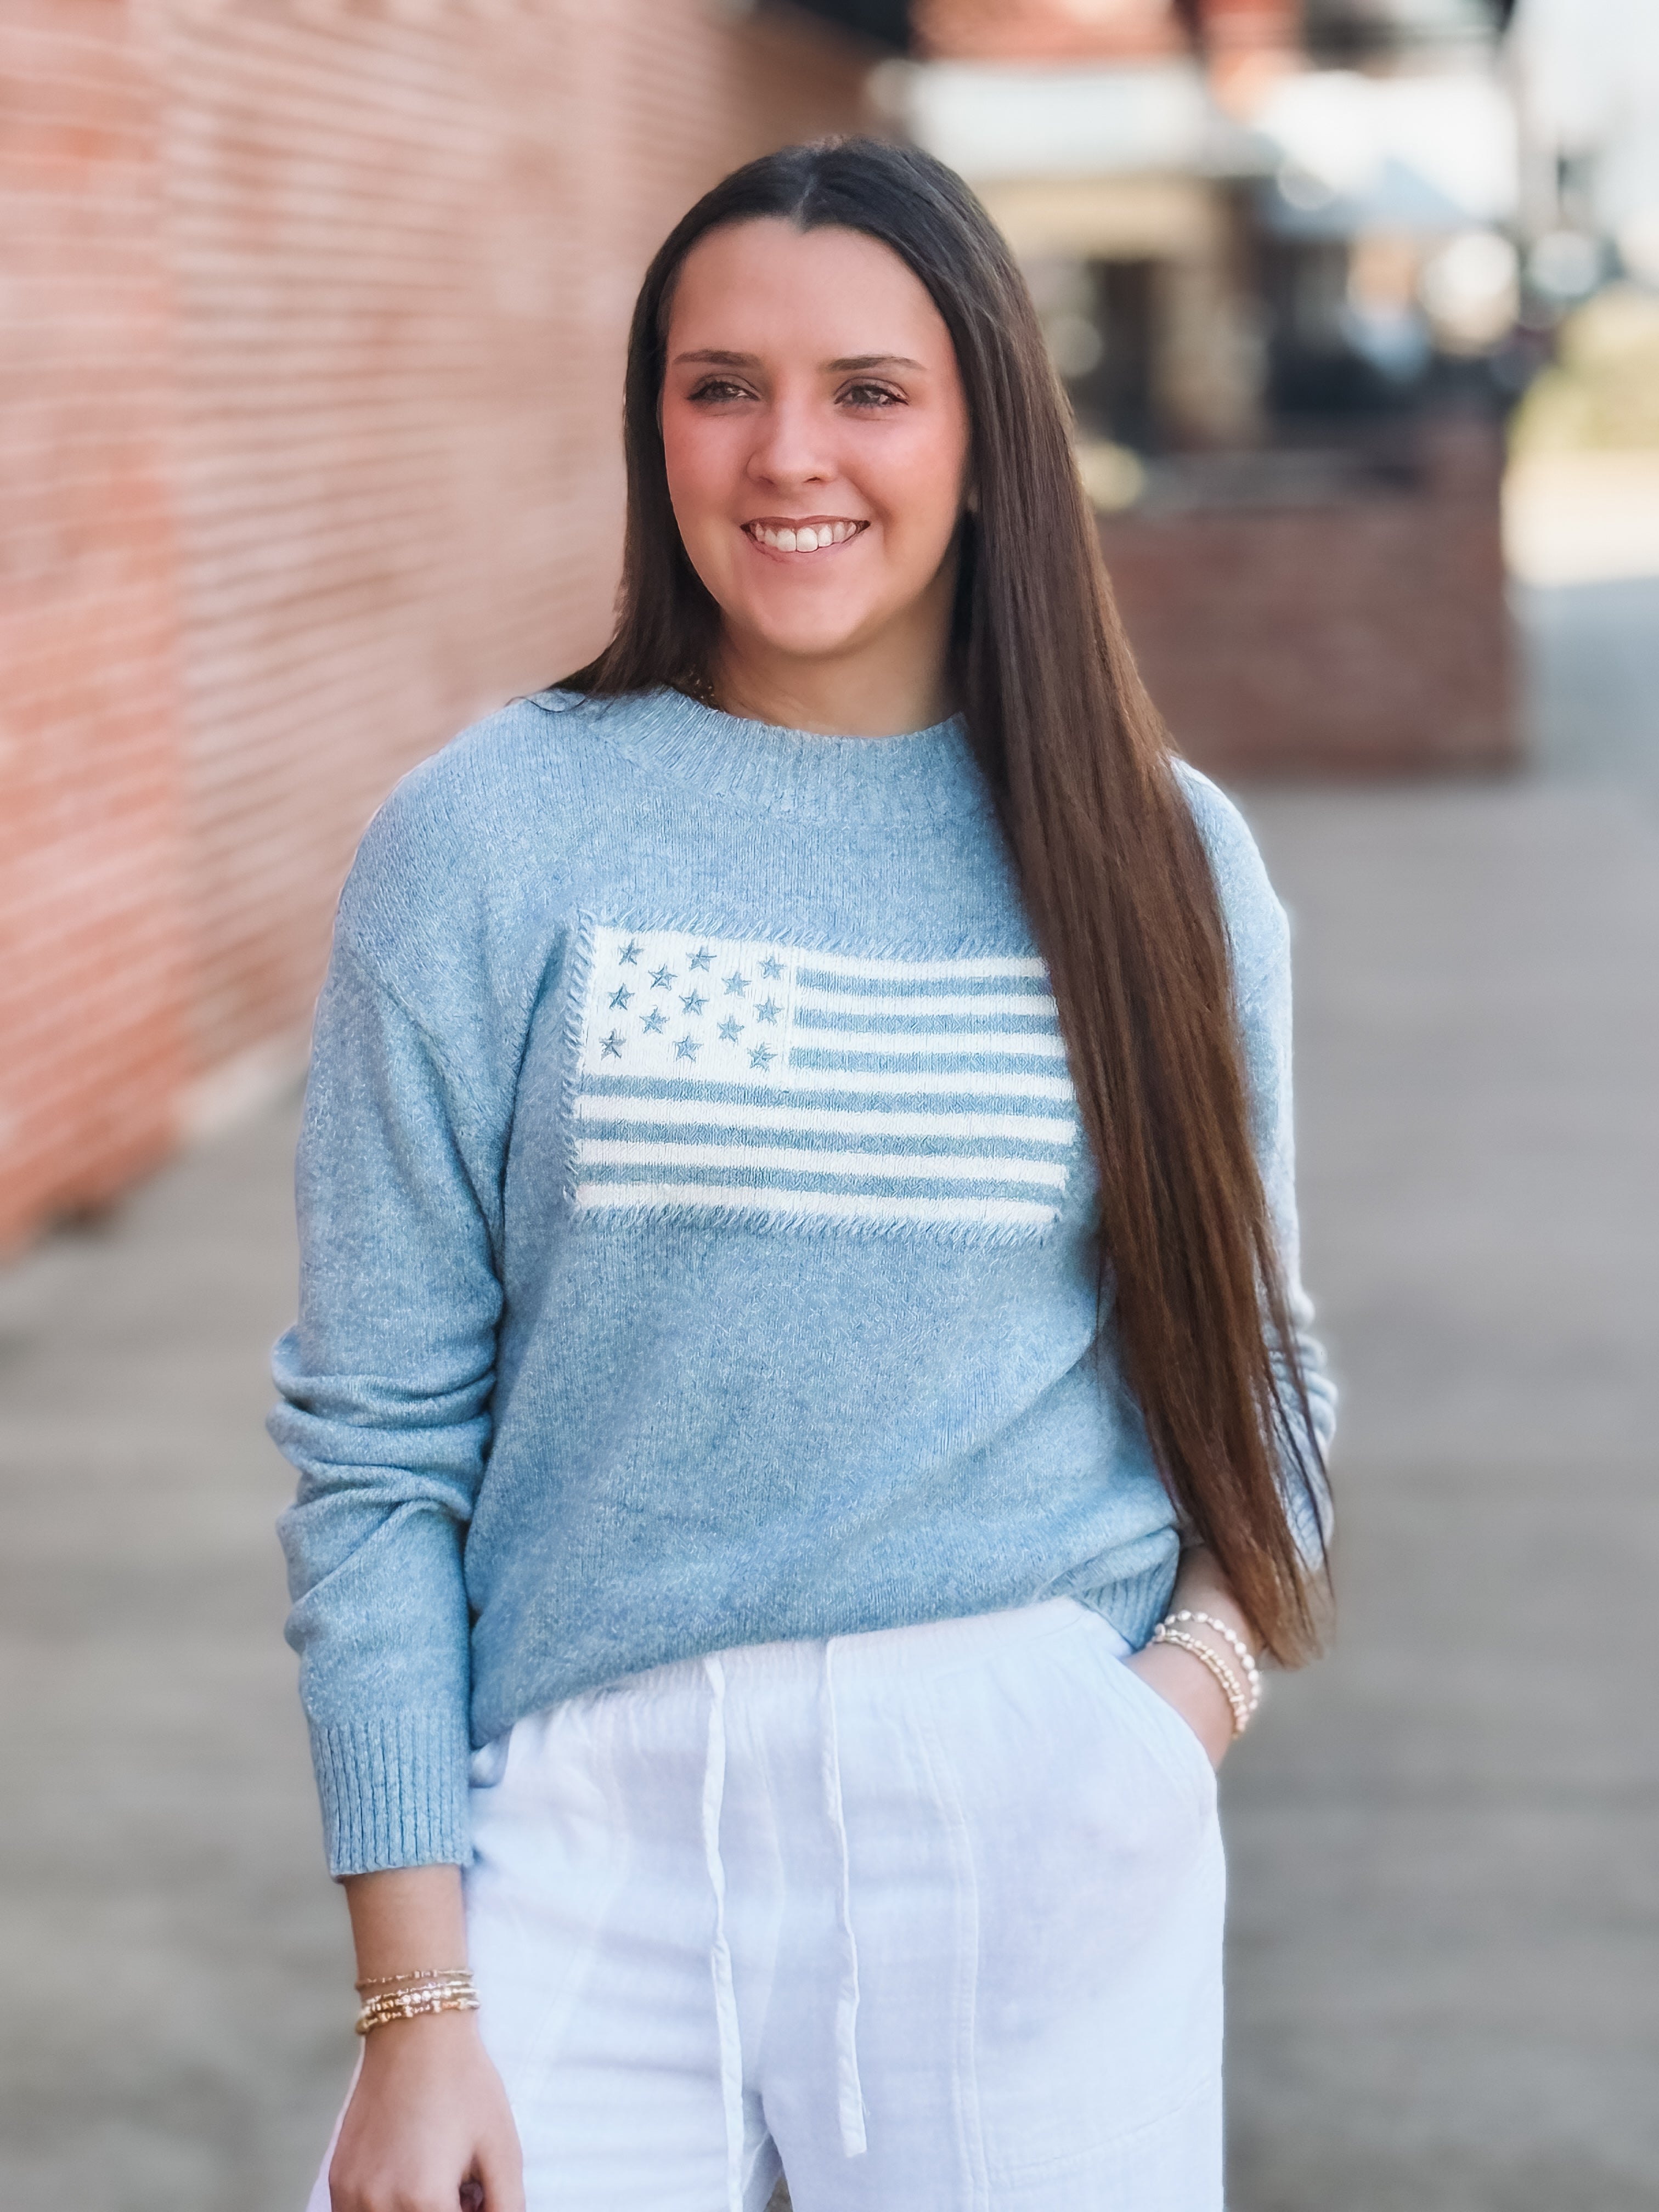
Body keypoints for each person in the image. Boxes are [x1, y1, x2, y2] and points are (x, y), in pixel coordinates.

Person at [272, 136, 1335, 2212]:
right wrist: (415, 2002)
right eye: (720, 386)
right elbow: (378, 1449)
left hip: (1030, 1804)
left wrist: (1172, 1720)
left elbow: (1256, 1366)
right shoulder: (485, 842)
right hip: (585, 1818)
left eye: (869, 390)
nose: (788, 455)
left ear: (984, 431)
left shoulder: (1160, 861)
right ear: (653, 424)